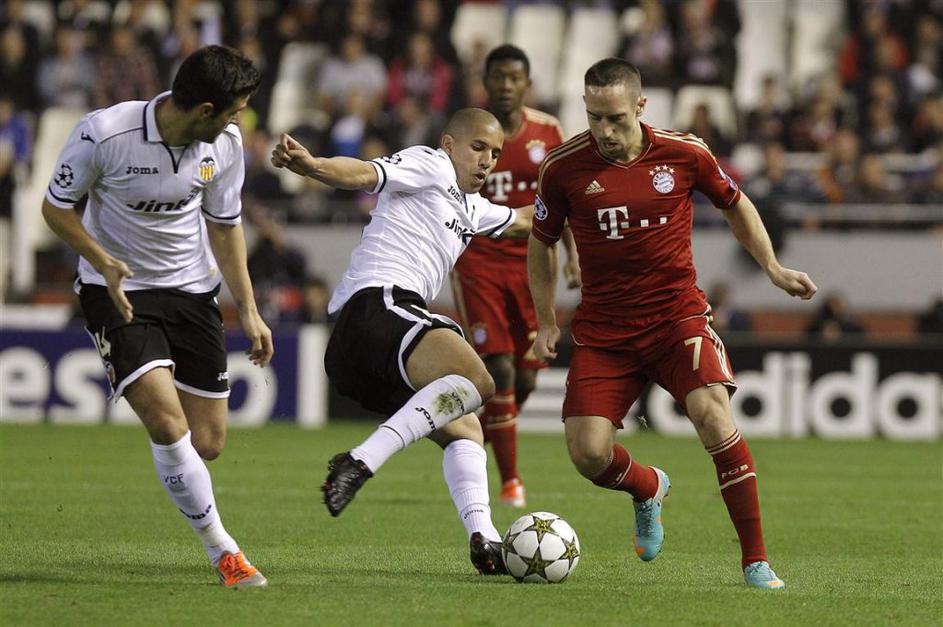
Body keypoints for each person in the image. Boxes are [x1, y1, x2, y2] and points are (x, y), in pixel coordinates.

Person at [527, 58, 817, 590]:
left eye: (615, 117)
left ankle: (755, 561)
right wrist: (546, 320)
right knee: (588, 454)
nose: (604, 131)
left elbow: (736, 204)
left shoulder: (685, 153)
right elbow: (541, 243)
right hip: (605, 331)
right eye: (594, 117)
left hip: (675, 318)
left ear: (641, 106)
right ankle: (646, 488)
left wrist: (773, 269)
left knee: (713, 416)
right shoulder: (562, 167)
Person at [41, 45, 273, 589]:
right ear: (205, 110)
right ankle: (225, 552)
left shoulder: (225, 145)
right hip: (117, 291)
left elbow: (225, 225)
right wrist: (101, 259)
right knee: (169, 425)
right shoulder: (105, 133)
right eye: (235, 111)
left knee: (207, 442)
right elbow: (55, 207)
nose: (240, 121)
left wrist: (249, 309)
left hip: (192, 292)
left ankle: (183, 477)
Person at [271, 108, 533, 575]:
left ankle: (485, 539)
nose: (487, 161)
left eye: (495, 153)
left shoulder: (474, 208)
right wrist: (313, 167)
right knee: (478, 380)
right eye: (477, 147)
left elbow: (524, 220)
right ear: (449, 144)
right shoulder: (430, 164)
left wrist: (579, 204)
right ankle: (360, 461)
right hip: (377, 306)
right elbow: (364, 173)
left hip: (361, 358)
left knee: (466, 429)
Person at [451, 44, 577, 508]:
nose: (506, 85)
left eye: (514, 78)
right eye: (498, 77)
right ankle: (510, 482)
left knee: (524, 379)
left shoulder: (548, 131)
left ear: (527, 84)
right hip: (479, 261)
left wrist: (574, 254)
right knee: (499, 367)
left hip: (533, 264)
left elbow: (563, 198)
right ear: (485, 82)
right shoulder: (467, 131)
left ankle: (475, 440)